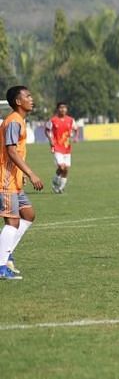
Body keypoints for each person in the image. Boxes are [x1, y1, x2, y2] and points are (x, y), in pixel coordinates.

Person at [0, 86, 44, 280]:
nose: (31, 99)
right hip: (6, 179)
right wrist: (31, 173)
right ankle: (1, 265)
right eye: (28, 96)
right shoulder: (13, 122)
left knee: (28, 214)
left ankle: (5, 253)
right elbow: (11, 151)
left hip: (14, 179)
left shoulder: (19, 121)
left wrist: (22, 173)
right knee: (13, 221)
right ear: (18, 102)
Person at [44, 102, 77, 194]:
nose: (63, 109)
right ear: (57, 109)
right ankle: (56, 182)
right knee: (61, 167)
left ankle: (60, 187)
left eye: (64, 108)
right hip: (56, 147)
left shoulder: (70, 120)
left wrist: (75, 137)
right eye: (61, 107)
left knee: (65, 169)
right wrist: (50, 139)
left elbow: (76, 129)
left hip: (67, 148)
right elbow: (46, 130)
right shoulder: (53, 120)